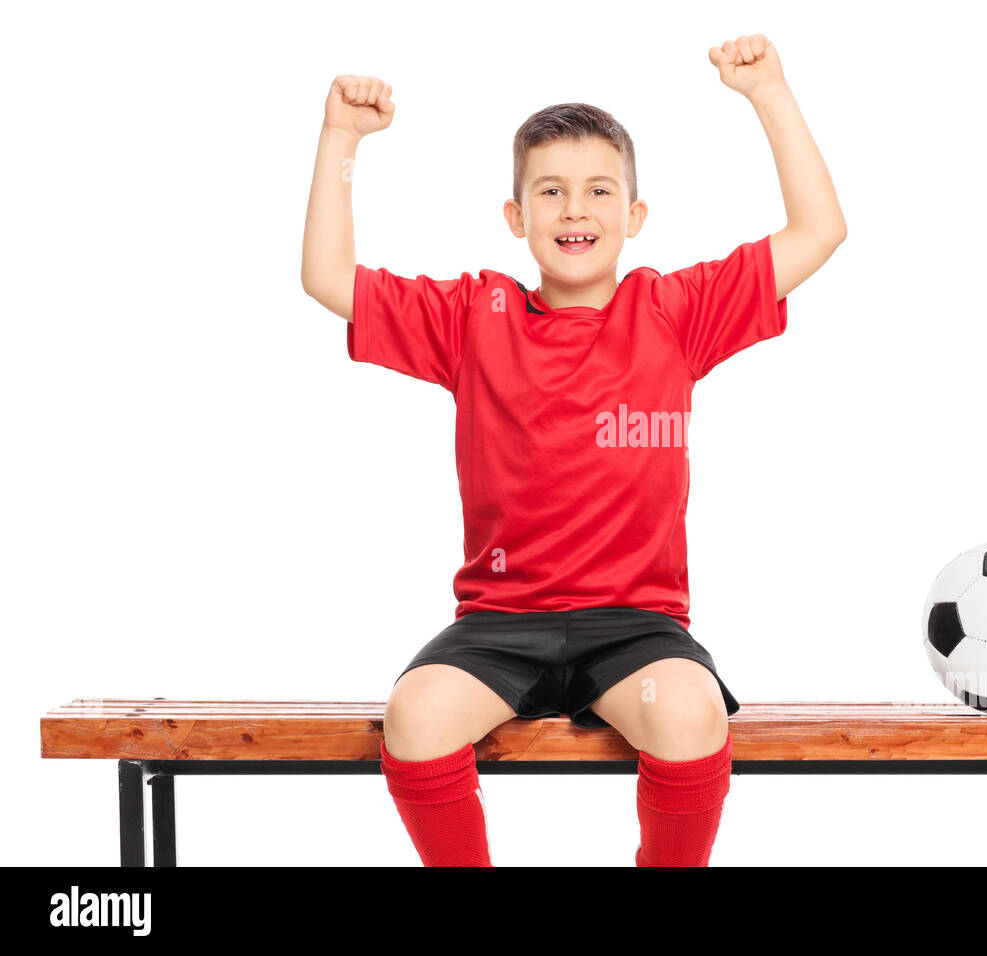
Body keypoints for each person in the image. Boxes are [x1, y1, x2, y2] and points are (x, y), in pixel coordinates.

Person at [300, 33, 846, 866]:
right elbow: (328, 277)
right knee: (415, 715)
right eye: (549, 192)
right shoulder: (472, 317)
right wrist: (340, 140)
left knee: (691, 713)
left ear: (633, 217)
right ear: (517, 219)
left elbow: (818, 231)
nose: (574, 210)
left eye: (598, 191)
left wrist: (768, 91)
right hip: (500, 626)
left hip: (634, 630)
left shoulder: (673, 310)